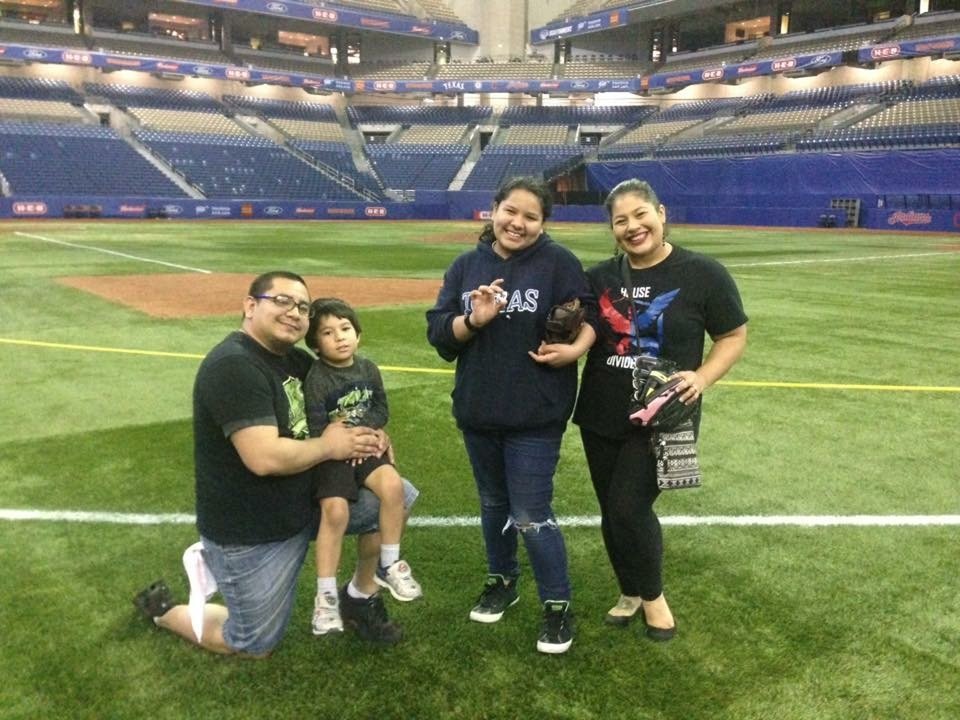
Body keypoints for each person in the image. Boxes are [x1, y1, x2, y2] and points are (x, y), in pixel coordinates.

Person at [134, 271, 417, 656]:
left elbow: (343, 403)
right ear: (250, 306)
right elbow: (264, 458)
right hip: (253, 528)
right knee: (253, 642)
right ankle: (165, 612)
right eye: (282, 301)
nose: (294, 312)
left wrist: (371, 432)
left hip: (302, 501)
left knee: (397, 494)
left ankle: (359, 594)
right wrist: (331, 445)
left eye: (302, 307)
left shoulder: (297, 361)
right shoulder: (233, 366)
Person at [426, 176, 596, 655]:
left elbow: (589, 316)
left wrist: (574, 350)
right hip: (478, 408)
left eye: (530, 216)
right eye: (511, 211)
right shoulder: (466, 266)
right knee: (493, 505)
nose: (518, 223)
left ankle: (557, 604)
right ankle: (502, 580)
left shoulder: (557, 262)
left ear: (543, 223)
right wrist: (472, 320)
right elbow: (439, 335)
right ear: (494, 210)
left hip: (535, 413)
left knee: (530, 512)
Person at [572, 179, 748, 641]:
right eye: (620, 221)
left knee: (629, 505)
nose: (632, 227)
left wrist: (702, 378)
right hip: (601, 411)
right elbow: (578, 327)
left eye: (640, 215)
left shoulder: (703, 273)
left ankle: (653, 598)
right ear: (612, 229)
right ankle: (629, 590)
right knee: (611, 509)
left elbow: (733, 336)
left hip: (666, 415)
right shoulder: (599, 277)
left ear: (661, 214)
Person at [302, 297, 423, 637]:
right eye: (327, 333)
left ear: (358, 334)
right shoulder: (317, 378)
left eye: (345, 328)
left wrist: (366, 432)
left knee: (394, 487)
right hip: (333, 456)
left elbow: (381, 408)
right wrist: (342, 441)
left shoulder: (368, 369)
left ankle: (389, 563)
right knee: (336, 511)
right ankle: (326, 596)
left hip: (365, 446)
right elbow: (315, 425)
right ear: (315, 344)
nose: (339, 337)